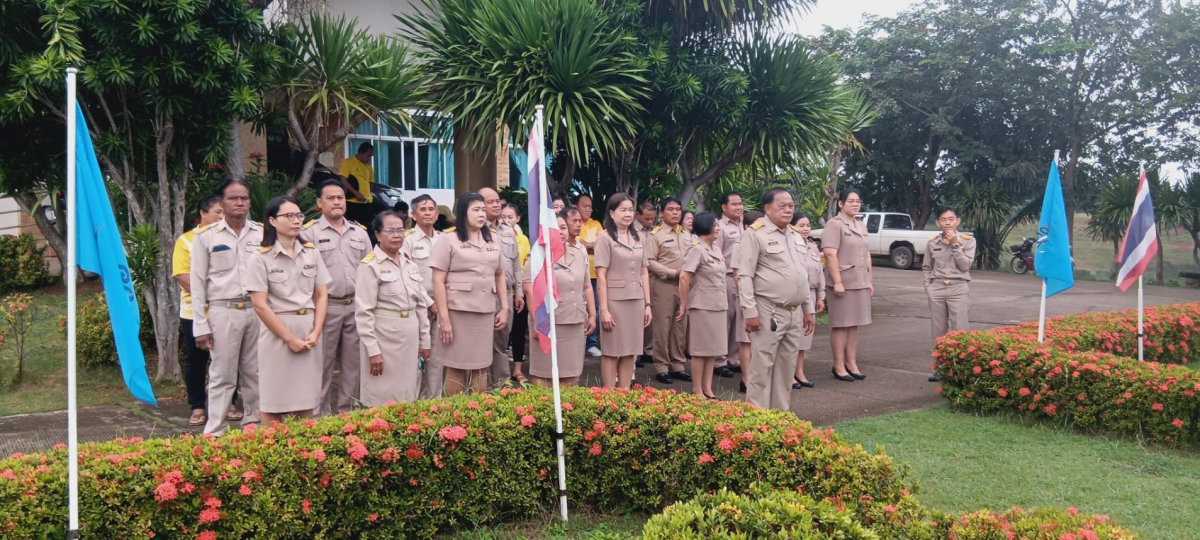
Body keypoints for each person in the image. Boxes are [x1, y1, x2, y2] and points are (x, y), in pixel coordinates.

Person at [246, 195, 331, 425]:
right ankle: (274, 452)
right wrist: (288, 338)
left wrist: (317, 330)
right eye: (289, 215)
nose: (296, 220)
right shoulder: (260, 257)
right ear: (272, 221)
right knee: (274, 399)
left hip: (309, 329)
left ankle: (304, 450)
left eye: (299, 215)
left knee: (306, 398)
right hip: (278, 332)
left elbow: (322, 294)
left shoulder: (311, 252)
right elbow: (260, 305)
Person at [191, 179, 263, 435]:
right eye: (233, 198)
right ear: (221, 203)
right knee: (222, 373)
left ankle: (253, 424)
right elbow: (197, 283)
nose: (240, 202)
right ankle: (215, 429)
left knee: (256, 371)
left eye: (244, 198)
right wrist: (200, 324)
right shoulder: (206, 237)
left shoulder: (261, 233)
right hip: (224, 310)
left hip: (257, 310)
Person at [738, 188, 815, 410]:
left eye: (791, 205)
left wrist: (808, 309)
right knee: (762, 367)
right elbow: (744, 275)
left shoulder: (794, 235)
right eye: (782, 206)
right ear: (767, 208)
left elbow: (803, 274)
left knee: (785, 369)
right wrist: (750, 311)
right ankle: (756, 419)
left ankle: (780, 418)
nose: (788, 209)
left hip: (794, 312)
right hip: (767, 310)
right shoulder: (756, 234)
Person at [300, 180, 371, 416]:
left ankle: (347, 412)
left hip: (355, 306)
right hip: (325, 307)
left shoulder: (360, 232)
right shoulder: (308, 233)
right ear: (319, 203)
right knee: (322, 363)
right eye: (331, 198)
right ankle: (318, 413)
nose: (337, 202)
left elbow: (370, 270)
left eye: (340, 197)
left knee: (354, 364)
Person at [430, 192, 507, 395]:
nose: (481, 214)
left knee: (481, 365)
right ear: (463, 212)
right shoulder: (448, 239)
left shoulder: (492, 239)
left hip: (485, 310)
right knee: (457, 364)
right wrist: (444, 319)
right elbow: (438, 280)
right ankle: (454, 416)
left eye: (483, 209)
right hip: (458, 312)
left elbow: (500, 275)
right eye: (476, 209)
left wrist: (504, 308)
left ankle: (476, 413)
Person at [355, 211, 433, 405]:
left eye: (400, 230)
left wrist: (425, 341)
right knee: (381, 395)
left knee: (408, 392)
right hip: (384, 339)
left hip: (410, 338)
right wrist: (373, 351)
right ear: (377, 234)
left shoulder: (409, 263)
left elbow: (421, 306)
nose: (397, 235)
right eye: (390, 230)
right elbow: (364, 313)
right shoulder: (370, 266)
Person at [521, 209, 595, 387]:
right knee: (544, 375)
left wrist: (592, 314)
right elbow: (528, 288)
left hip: (575, 319)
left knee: (571, 374)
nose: (560, 232)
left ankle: (568, 412)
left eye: (563, 227)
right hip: (548, 322)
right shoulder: (538, 254)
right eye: (555, 228)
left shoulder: (578, 252)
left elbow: (586, 285)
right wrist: (536, 321)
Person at [172, 194, 228, 427]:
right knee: (196, 360)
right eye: (217, 212)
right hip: (195, 312)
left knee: (227, 358)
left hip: (226, 310)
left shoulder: (231, 237)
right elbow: (183, 277)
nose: (222, 217)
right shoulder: (186, 241)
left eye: (224, 212)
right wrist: (217, 290)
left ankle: (230, 403)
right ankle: (197, 405)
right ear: (202, 214)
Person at [595, 194, 651, 389]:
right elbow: (600, 275)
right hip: (614, 301)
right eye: (622, 210)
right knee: (612, 351)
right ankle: (608, 394)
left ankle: (624, 392)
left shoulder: (639, 236)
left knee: (630, 350)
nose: (627, 215)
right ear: (612, 213)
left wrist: (647, 304)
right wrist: (604, 309)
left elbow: (644, 271)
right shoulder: (604, 237)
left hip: (636, 300)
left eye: (630, 210)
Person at [823, 188, 873, 382]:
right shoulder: (834, 225)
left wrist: (869, 280)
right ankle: (838, 365)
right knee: (841, 325)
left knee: (854, 325)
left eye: (858, 201)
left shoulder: (860, 225)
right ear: (841, 203)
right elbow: (830, 254)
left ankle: (851, 362)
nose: (855, 204)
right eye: (851, 201)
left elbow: (866, 255)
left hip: (859, 280)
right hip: (843, 281)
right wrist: (837, 282)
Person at [677, 212, 726, 399]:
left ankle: (708, 388)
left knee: (712, 349)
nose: (718, 228)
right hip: (702, 305)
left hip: (718, 304)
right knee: (700, 350)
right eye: (715, 225)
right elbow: (684, 276)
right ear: (705, 226)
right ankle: (697, 390)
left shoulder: (716, 249)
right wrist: (684, 303)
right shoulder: (696, 249)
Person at [479, 188, 524, 387]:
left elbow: (515, 263)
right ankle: (479, 389)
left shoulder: (508, 230)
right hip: (482, 295)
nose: (496, 205)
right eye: (491, 202)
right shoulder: (476, 229)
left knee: (500, 343)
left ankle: (499, 388)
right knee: (480, 343)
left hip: (505, 294)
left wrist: (519, 292)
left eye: (498, 201)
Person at [923, 206, 974, 382]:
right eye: (943, 220)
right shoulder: (932, 242)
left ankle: (961, 368)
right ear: (938, 223)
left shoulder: (968, 241)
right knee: (939, 330)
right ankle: (941, 367)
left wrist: (955, 245)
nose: (947, 223)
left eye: (951, 219)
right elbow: (927, 267)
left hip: (958, 287)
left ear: (957, 221)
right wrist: (928, 287)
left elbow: (965, 266)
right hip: (936, 288)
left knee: (960, 328)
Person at [645, 197, 692, 384]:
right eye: (671, 209)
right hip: (663, 285)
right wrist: (673, 273)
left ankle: (678, 364)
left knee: (680, 326)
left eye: (678, 209)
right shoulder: (655, 235)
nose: (675, 212)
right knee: (663, 327)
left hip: (683, 287)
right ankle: (662, 366)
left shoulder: (687, 234)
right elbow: (649, 261)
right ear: (661, 213)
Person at [402, 194, 445, 397]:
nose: (427, 213)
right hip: (419, 305)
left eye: (431, 209)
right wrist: (429, 303)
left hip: (441, 304)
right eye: (423, 209)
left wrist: (441, 303)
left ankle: (434, 400)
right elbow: (408, 276)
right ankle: (413, 401)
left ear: (437, 215)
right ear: (413, 214)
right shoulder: (407, 240)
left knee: (437, 357)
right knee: (417, 353)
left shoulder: (444, 240)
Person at [790, 213, 825, 390]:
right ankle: (789, 374)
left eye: (808, 225)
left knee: (805, 336)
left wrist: (821, 296)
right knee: (792, 336)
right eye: (801, 225)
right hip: (795, 296)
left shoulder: (812, 247)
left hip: (811, 294)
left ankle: (800, 371)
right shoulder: (790, 246)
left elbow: (819, 272)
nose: (805, 228)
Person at [713, 192, 744, 379]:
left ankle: (734, 359)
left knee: (739, 320)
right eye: (734, 204)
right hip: (726, 277)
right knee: (726, 319)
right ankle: (719, 360)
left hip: (743, 278)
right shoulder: (720, 227)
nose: (739, 207)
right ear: (724, 207)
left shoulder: (745, 226)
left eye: (740, 204)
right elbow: (716, 252)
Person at [503, 204, 531, 383]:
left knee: (519, 331)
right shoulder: (494, 237)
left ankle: (517, 370)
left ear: (517, 218)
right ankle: (502, 371)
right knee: (503, 332)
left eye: (510, 217)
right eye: (503, 217)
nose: (506, 220)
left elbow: (523, 265)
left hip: (519, 290)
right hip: (503, 290)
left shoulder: (524, 239)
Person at [576, 194, 605, 357]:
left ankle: (591, 343)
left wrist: (588, 245)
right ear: (576, 207)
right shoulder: (573, 222)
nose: (588, 209)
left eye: (589, 206)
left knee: (594, 308)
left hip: (595, 274)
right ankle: (579, 341)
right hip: (578, 274)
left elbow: (600, 245)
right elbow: (578, 244)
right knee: (580, 308)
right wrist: (590, 245)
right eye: (584, 206)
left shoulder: (596, 224)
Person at [634, 201, 657, 364]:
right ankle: (636, 351)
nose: (650, 222)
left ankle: (647, 349)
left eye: (652, 219)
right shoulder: (632, 231)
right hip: (635, 277)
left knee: (649, 313)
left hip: (651, 277)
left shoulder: (655, 231)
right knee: (636, 316)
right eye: (646, 219)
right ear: (637, 216)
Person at [340, 142, 377, 225]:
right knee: (351, 226)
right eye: (368, 156)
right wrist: (355, 193)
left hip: (367, 202)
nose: (369, 159)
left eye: (371, 156)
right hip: (352, 202)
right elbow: (343, 179)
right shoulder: (348, 162)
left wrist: (368, 193)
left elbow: (371, 182)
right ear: (360, 153)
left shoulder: (369, 166)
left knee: (366, 227)